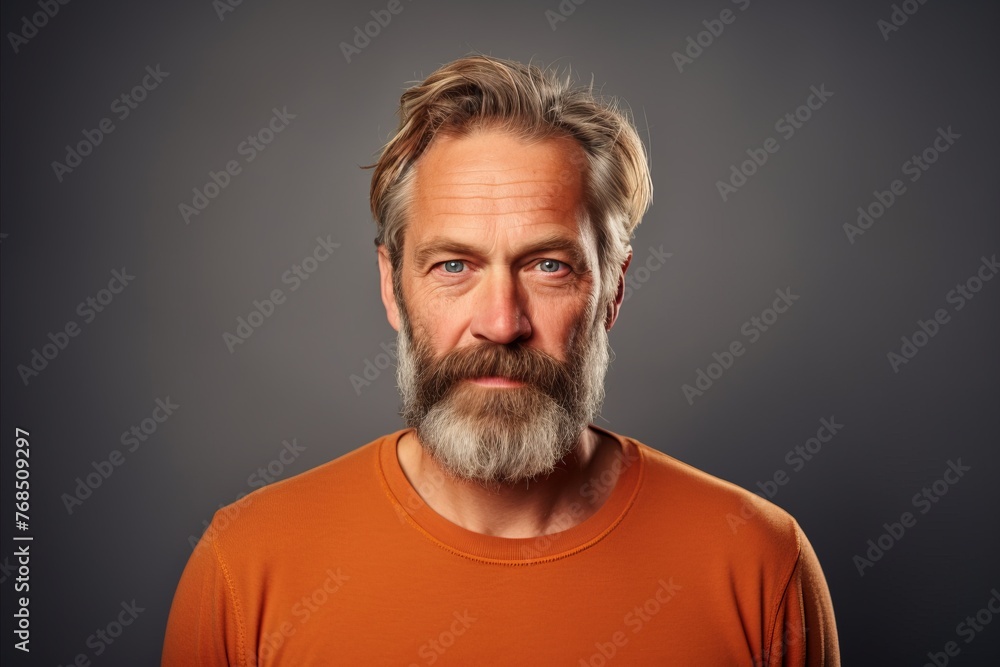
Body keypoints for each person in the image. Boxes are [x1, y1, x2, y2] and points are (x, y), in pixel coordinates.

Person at [162, 54, 840, 666]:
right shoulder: (246, 565)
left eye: (548, 265)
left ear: (613, 288)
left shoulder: (758, 561)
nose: (500, 323)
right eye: (453, 264)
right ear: (392, 285)